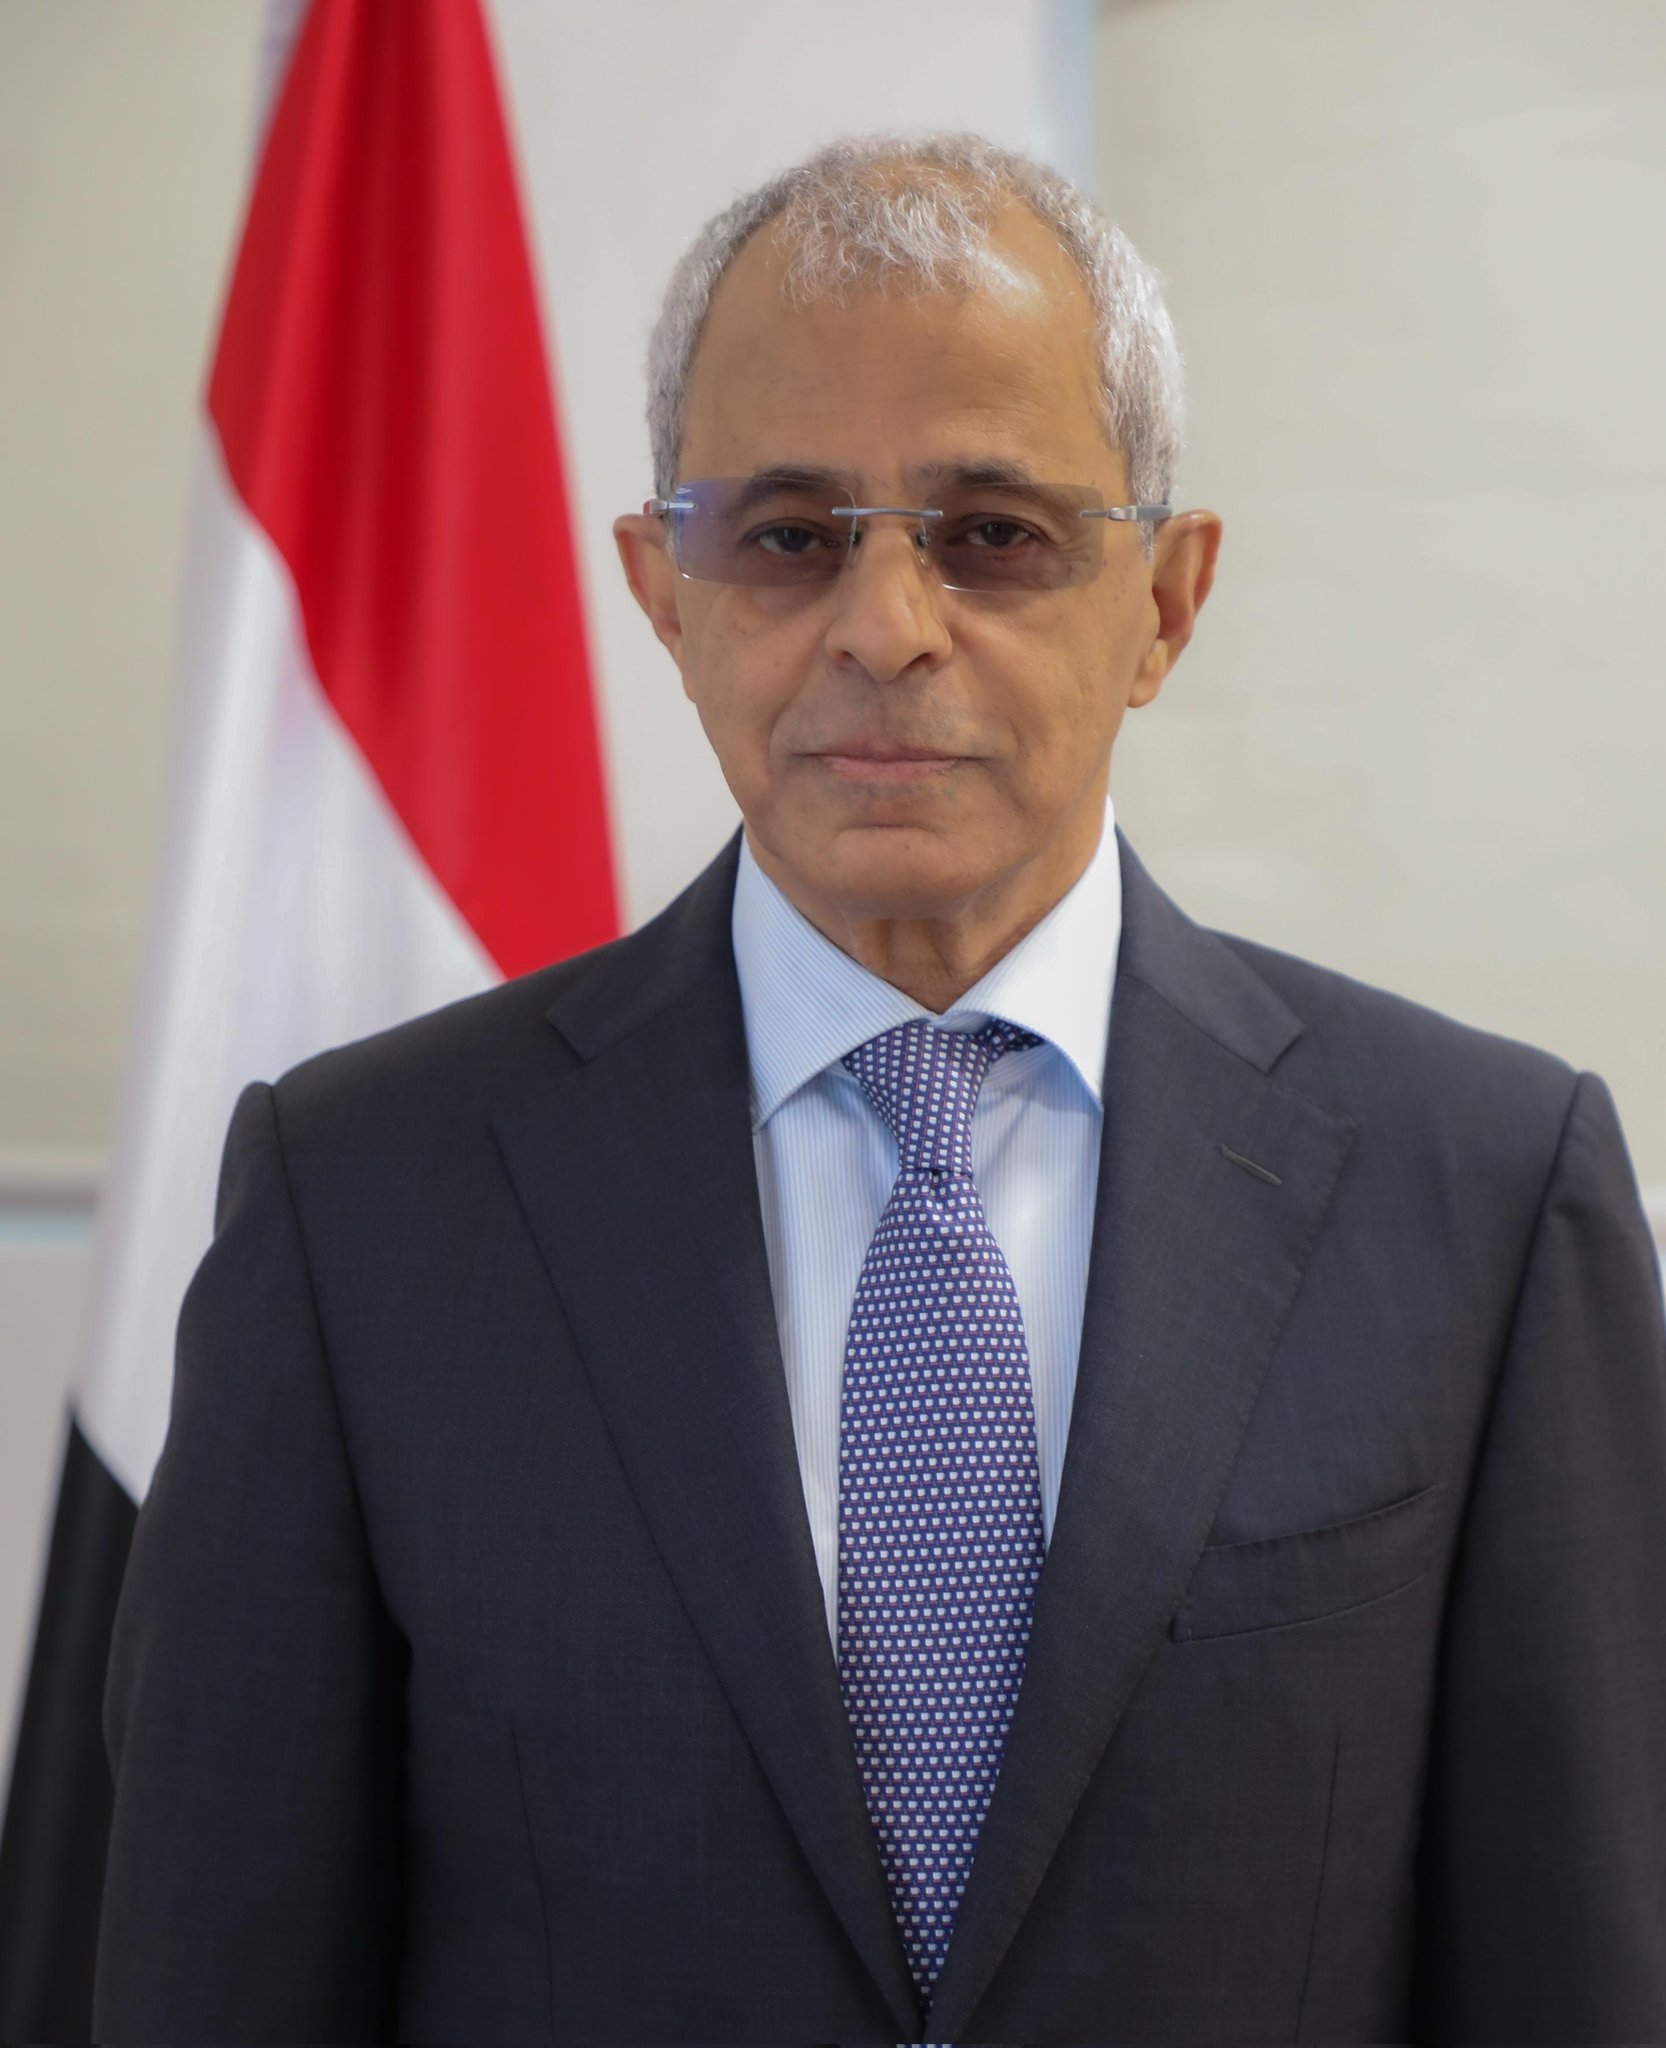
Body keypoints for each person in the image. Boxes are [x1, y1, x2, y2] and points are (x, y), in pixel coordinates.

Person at [94, 133, 1666, 2044]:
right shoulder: (360, 1203)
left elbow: (1579, 1976)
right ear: (662, 592)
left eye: (991, 533)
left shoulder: (1487, 1201)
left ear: (1166, 601)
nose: (885, 624)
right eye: (788, 535)